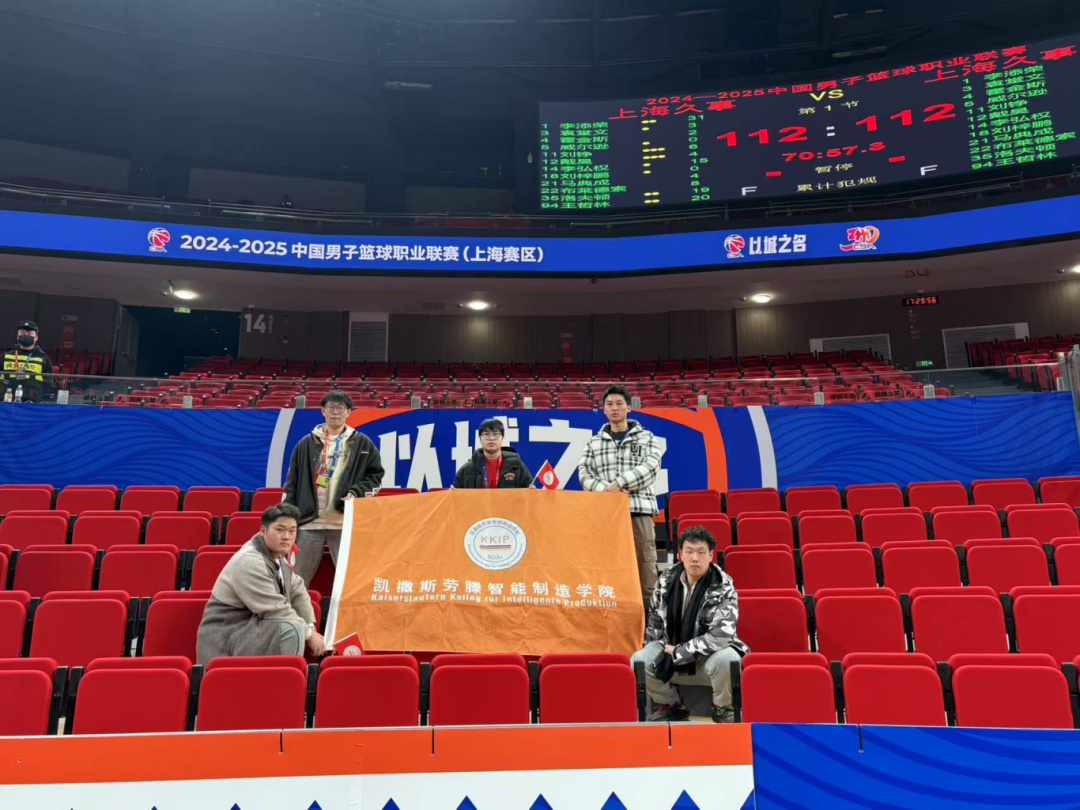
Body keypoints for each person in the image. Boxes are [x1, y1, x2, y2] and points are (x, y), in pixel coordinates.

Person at [631, 527, 749, 723]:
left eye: (701, 552)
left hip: (707, 656)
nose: (695, 558)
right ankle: (672, 705)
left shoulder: (724, 585)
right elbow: (655, 622)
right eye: (689, 551)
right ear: (681, 554)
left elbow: (721, 636)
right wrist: (659, 656)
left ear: (711, 555)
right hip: (670, 649)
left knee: (728, 659)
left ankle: (723, 707)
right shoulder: (666, 581)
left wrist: (679, 651)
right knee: (639, 660)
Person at [196, 503, 326, 664]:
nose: (286, 536)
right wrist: (309, 635)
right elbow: (274, 609)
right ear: (263, 531)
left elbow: (298, 589)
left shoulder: (277, 557)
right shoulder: (250, 561)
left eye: (292, 531)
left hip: (252, 630)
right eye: (280, 530)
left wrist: (310, 627)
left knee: (296, 626)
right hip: (228, 635)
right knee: (291, 629)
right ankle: (287, 677)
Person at [284, 390, 384, 586]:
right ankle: (291, 608)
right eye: (330, 407)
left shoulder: (362, 443)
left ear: (348, 412)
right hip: (309, 522)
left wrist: (356, 492)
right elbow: (292, 482)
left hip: (343, 523)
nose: (335, 412)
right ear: (323, 411)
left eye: (340, 408)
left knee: (351, 580)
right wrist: (289, 517)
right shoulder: (306, 444)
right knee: (296, 580)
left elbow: (375, 476)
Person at [577, 385, 663, 602]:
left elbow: (651, 468)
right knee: (608, 565)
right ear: (604, 409)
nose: (614, 408)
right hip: (606, 513)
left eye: (619, 404)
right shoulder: (594, 442)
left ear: (629, 408)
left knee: (645, 565)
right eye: (609, 404)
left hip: (638, 510)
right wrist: (606, 490)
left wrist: (620, 483)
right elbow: (584, 473)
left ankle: (649, 617)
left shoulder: (647, 438)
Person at [453, 418, 535, 489]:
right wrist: (453, 493)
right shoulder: (467, 469)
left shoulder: (517, 466)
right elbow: (456, 497)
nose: (491, 438)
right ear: (480, 438)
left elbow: (529, 494)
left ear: (502, 437)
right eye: (486, 434)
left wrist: (532, 491)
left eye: (495, 434)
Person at [2, 321, 53, 403]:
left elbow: (48, 382)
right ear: (17, 336)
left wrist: (38, 394)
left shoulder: (43, 357)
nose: (26, 335)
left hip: (33, 401)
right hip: (7, 399)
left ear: (36, 338)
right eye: (22, 333)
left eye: (29, 333)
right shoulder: (6, 355)